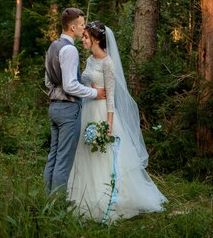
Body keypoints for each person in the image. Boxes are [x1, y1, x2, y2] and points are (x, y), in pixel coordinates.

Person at [68, 21, 167, 222]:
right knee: (86, 153)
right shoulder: (89, 60)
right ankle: (83, 196)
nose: (83, 40)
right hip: (88, 109)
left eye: (86, 37)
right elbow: (85, 83)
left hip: (103, 114)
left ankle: (108, 197)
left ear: (96, 39)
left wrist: (109, 126)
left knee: (103, 156)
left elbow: (111, 97)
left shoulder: (108, 63)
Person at [44, 8, 106, 194]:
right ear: (72, 27)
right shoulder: (70, 49)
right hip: (68, 110)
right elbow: (70, 86)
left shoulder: (53, 46)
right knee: (63, 160)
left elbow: (48, 82)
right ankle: (58, 207)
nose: (84, 27)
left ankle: (46, 202)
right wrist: (94, 93)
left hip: (54, 108)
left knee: (53, 157)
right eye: (81, 25)